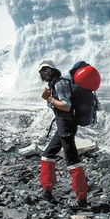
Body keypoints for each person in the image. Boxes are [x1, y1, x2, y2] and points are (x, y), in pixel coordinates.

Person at [34, 59, 88, 209]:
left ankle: (81, 200)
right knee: (47, 155)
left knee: (72, 160)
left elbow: (66, 106)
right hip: (62, 125)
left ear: (53, 70)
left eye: (47, 70)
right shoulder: (54, 84)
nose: (44, 73)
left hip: (66, 125)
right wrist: (49, 98)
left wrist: (49, 98)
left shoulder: (60, 84)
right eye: (42, 71)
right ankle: (46, 191)